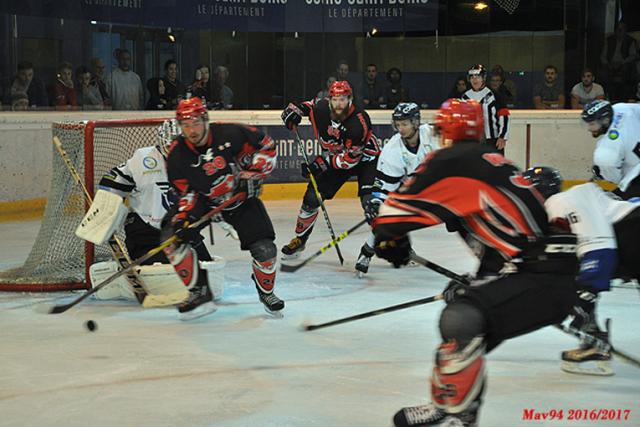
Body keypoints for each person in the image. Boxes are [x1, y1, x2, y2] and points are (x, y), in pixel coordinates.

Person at [372, 98, 578, 427]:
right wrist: (481, 280)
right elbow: (506, 238)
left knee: (460, 320)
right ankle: (448, 401)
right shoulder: (494, 160)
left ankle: (459, 415)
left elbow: (389, 218)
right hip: (552, 271)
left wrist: (392, 239)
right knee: (465, 324)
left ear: (445, 132)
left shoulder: (451, 159)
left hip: (541, 274)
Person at [163, 97, 283, 320]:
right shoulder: (177, 154)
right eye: (186, 125)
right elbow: (185, 191)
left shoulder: (230, 134)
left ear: (206, 119)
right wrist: (184, 216)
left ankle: (266, 292)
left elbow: (267, 146)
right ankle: (199, 291)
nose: (191, 130)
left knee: (265, 250)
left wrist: (252, 175)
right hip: (204, 201)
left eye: (196, 122)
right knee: (172, 236)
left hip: (239, 198)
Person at [523, 166, 640, 376]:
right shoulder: (581, 193)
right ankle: (592, 340)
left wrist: (588, 287)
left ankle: (593, 341)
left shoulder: (558, 203)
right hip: (631, 234)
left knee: (577, 287)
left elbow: (597, 243)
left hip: (633, 235)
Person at [280, 80, 381, 272]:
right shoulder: (321, 108)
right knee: (311, 198)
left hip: (366, 159)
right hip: (336, 157)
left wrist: (322, 163)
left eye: (343, 99)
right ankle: (299, 240)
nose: (339, 104)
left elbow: (351, 159)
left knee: (372, 204)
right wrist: (294, 112)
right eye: (335, 99)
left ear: (350, 99)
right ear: (329, 99)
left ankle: (393, 244)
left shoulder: (358, 123)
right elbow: (306, 106)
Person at [360, 102, 438, 274]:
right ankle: (367, 250)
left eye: (405, 124)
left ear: (416, 123)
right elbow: (384, 187)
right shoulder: (392, 150)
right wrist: (376, 202)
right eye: (398, 124)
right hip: (412, 190)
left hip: (439, 187)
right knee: (388, 216)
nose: (401, 128)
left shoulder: (433, 135)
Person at [98, 119, 182, 263]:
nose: (174, 151)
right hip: (145, 231)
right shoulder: (144, 158)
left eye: (179, 146)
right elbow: (110, 181)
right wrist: (108, 209)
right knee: (166, 264)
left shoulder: (193, 160)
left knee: (203, 263)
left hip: (179, 230)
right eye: (170, 146)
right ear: (162, 143)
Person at [581, 100, 640, 199]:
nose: (589, 128)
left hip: (635, 178)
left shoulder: (606, 150)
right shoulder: (622, 109)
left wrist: (601, 173)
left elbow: (613, 180)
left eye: (592, 124)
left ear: (605, 121)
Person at [461, 64, 510, 153]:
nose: (474, 79)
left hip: (492, 140)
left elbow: (504, 115)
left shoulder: (494, 95)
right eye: (472, 77)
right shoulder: (465, 97)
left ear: (483, 78)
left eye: (478, 77)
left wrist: (502, 136)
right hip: (472, 141)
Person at [600, 22, 638, 103]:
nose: (620, 31)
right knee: (604, 73)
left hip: (624, 64)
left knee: (627, 72)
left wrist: (623, 63)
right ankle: (609, 97)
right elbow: (603, 55)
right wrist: (607, 64)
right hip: (611, 64)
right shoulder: (609, 40)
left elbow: (633, 56)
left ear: (625, 30)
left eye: (622, 29)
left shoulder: (630, 41)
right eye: (618, 29)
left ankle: (624, 98)